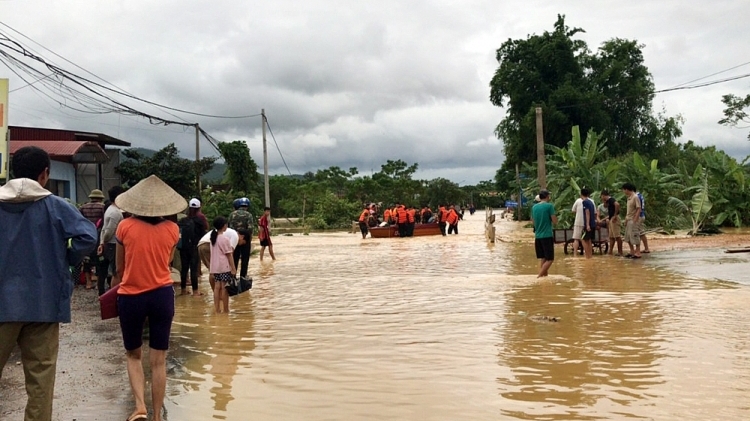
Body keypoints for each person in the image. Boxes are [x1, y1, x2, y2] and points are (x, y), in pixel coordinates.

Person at [0, 146, 97, 421]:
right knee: (40, 381)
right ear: (45, 174)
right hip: (43, 303)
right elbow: (88, 237)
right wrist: (64, 257)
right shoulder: (56, 206)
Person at [112, 175, 184, 421]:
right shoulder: (174, 230)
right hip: (162, 295)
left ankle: (140, 407)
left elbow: (120, 268)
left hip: (132, 296)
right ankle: (156, 417)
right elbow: (167, 262)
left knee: (134, 354)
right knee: (159, 360)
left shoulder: (125, 227)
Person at [97, 185, 125, 296]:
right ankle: (115, 295)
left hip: (107, 244)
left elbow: (104, 228)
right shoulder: (116, 213)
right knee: (116, 272)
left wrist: (101, 243)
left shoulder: (109, 209)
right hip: (113, 244)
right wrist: (104, 241)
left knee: (103, 270)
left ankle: (102, 292)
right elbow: (109, 231)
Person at [178, 199, 207, 296]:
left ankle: (183, 290)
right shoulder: (199, 221)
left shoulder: (182, 221)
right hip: (194, 247)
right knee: (193, 269)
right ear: (199, 208)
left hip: (183, 248)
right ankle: (195, 291)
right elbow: (203, 234)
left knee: (184, 268)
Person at [209, 216, 237, 314]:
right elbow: (229, 255)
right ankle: (226, 310)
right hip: (224, 267)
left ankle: (217, 309)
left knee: (217, 288)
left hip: (215, 267)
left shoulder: (213, 238)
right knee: (225, 288)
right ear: (224, 226)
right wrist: (233, 268)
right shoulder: (224, 239)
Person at [80, 188, 106, 289]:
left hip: (86, 234)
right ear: (100, 198)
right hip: (98, 235)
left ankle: (88, 283)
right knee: (99, 259)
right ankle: (99, 282)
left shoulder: (83, 207)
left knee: (86, 259)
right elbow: (104, 221)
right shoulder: (102, 207)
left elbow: (79, 220)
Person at [531, 189, 558, 277]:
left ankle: (544, 278)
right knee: (550, 259)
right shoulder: (549, 206)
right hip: (547, 235)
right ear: (547, 197)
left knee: (543, 258)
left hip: (538, 236)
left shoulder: (534, 207)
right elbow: (554, 221)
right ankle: (539, 276)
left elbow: (533, 221)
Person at [228, 197, 253, 279]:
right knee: (245, 260)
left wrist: (237, 234)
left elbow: (229, 228)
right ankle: (243, 277)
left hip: (234, 240)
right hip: (245, 240)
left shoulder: (232, 214)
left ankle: (233, 277)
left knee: (234, 258)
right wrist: (245, 237)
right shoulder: (249, 215)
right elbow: (250, 229)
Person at [600, 190, 623, 256]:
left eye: (601, 196)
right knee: (611, 237)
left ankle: (620, 252)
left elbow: (617, 204)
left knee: (617, 236)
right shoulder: (609, 201)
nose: (601, 198)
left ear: (603, 195)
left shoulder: (611, 200)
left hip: (614, 219)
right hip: (611, 219)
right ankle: (610, 251)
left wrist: (615, 215)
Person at [622, 183, 642, 259]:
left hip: (633, 220)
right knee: (628, 237)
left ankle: (638, 252)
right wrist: (626, 220)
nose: (623, 191)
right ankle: (632, 251)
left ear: (627, 189)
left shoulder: (635, 197)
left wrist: (635, 219)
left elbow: (638, 208)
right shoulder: (629, 198)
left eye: (624, 190)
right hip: (628, 219)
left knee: (635, 235)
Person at [579, 188, 597, 259]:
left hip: (589, 224)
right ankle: (590, 256)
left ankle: (587, 256)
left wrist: (587, 224)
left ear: (581, 194)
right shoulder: (591, 202)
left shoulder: (585, 202)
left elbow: (587, 213)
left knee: (583, 239)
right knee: (588, 240)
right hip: (593, 223)